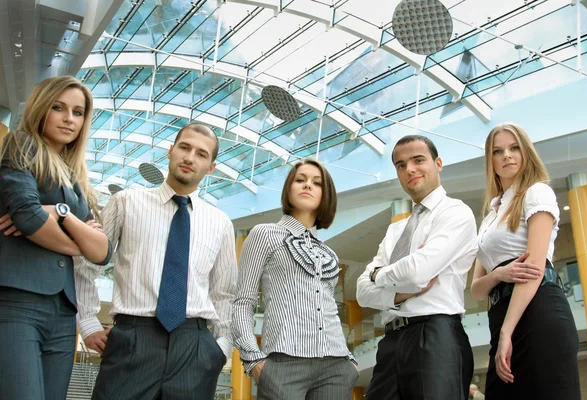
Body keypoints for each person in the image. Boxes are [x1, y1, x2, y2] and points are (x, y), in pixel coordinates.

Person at [75, 123, 237, 400]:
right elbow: (87, 263)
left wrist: (220, 347)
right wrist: (88, 323)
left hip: (194, 345)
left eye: (201, 154)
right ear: (171, 150)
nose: (190, 157)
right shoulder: (126, 202)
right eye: (184, 148)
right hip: (133, 338)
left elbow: (223, 292)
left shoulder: (220, 223)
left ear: (210, 168)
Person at [0, 76, 113, 399]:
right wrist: (79, 243)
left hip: (64, 311)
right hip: (18, 301)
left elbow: (103, 251)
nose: (69, 119)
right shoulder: (21, 144)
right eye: (59, 108)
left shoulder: (76, 177)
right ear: (41, 108)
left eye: (78, 113)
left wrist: (59, 213)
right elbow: (26, 215)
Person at [356, 135, 477, 399]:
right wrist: (399, 294)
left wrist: (379, 274)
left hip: (435, 335)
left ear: (438, 163)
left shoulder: (455, 212)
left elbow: (417, 273)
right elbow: (362, 292)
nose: (409, 169)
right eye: (401, 165)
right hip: (390, 342)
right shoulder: (395, 230)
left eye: (418, 160)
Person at [470, 123, 580, 400]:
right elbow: (476, 290)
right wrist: (499, 275)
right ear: (491, 161)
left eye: (514, 147)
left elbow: (534, 267)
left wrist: (507, 331)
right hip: (500, 315)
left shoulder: (536, 192)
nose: (507, 155)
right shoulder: (489, 217)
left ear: (526, 152)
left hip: (538, 310)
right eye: (498, 151)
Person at [233, 159, 358, 399]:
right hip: (283, 363)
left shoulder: (328, 253)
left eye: (316, 183)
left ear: (326, 194)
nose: (307, 185)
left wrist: (350, 361)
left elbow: (328, 306)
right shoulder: (264, 234)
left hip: (337, 367)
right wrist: (253, 360)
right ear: (288, 189)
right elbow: (242, 302)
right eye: (300, 180)